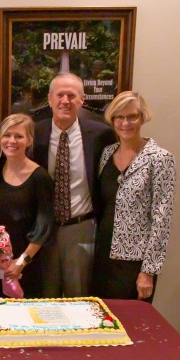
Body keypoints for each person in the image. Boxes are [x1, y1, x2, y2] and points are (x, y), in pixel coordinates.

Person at [30, 73, 117, 298]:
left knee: (79, 298)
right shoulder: (34, 134)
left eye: (72, 95)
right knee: (43, 298)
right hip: (43, 232)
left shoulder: (101, 135)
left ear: (82, 99)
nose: (65, 101)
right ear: (49, 99)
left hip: (82, 229)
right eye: (60, 95)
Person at [93, 92, 176, 302]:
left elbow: (162, 219)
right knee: (105, 321)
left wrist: (148, 271)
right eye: (119, 117)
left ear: (142, 117)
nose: (125, 123)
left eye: (132, 116)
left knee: (134, 324)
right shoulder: (106, 154)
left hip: (135, 261)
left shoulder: (159, 158)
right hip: (103, 253)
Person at [0, 114, 55, 299]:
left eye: (19, 136)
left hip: (25, 263)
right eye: (7, 135)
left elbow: (44, 224)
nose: (12, 141)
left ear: (29, 140)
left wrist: (21, 261)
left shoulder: (40, 177)